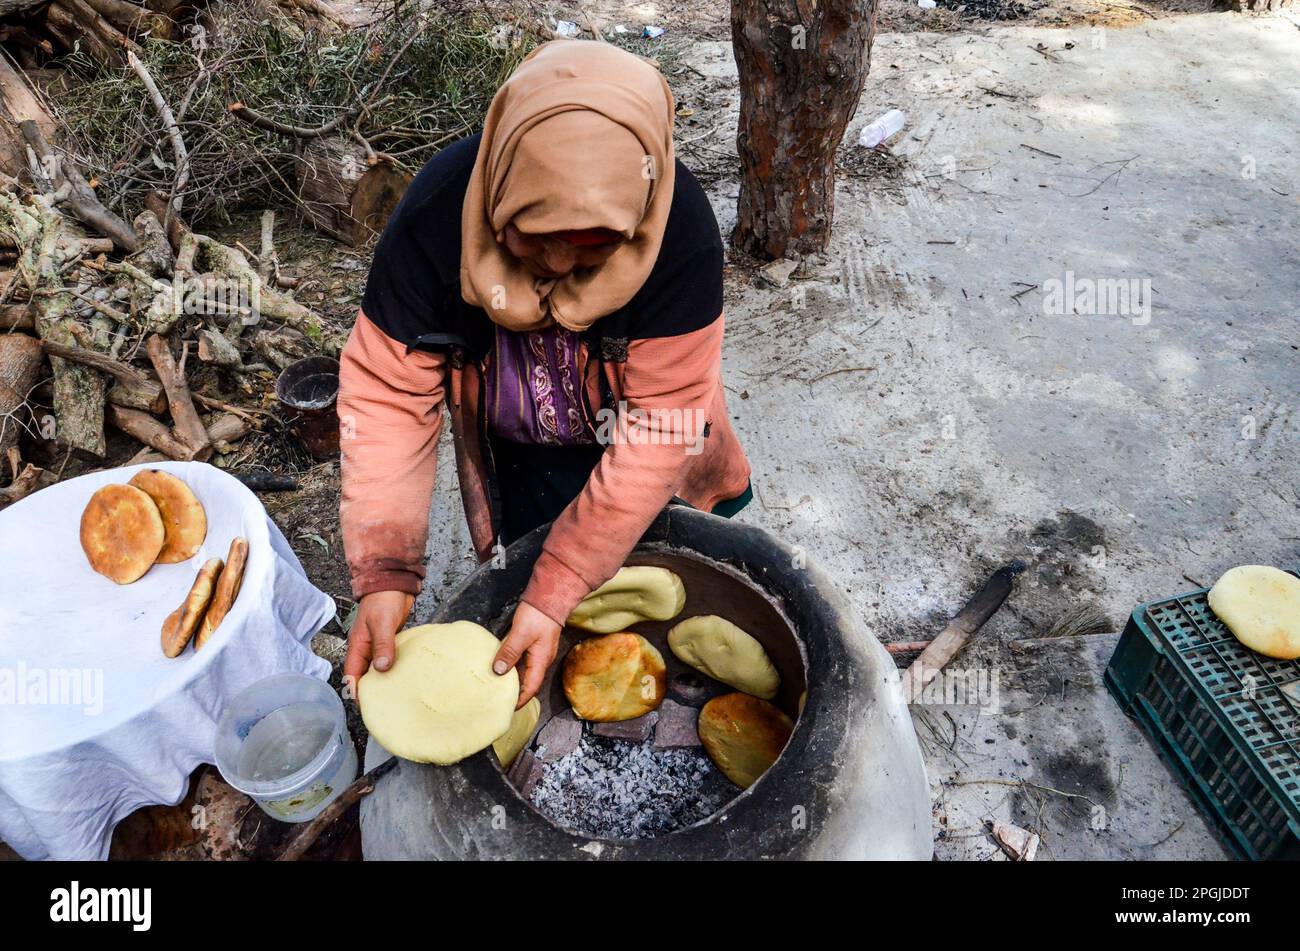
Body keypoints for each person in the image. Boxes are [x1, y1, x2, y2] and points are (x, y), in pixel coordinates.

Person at [338, 40, 752, 706]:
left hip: (649, 437)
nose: (558, 265)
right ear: (504, 187)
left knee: (669, 564)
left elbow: (661, 422)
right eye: (535, 236)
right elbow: (388, 396)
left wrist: (562, 579)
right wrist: (386, 571)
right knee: (533, 559)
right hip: (522, 446)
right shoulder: (438, 217)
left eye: (593, 248)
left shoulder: (679, 230)